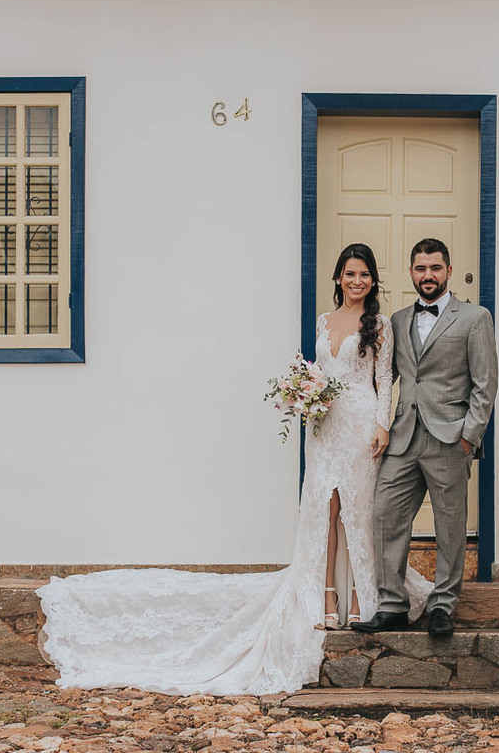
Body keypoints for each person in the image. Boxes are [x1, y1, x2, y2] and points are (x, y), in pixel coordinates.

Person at [35, 243, 428, 696]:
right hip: (324, 425)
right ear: (338, 277)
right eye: (349, 274)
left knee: (356, 508)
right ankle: (326, 595)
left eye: (364, 275)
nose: (356, 281)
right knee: (325, 505)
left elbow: (384, 380)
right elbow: (317, 371)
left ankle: (361, 595)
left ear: (372, 281)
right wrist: (305, 394)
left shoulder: (378, 324)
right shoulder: (324, 321)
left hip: (360, 423)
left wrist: (382, 424)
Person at [352, 238, 498, 639]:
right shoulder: (396, 321)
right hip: (403, 437)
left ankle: (443, 606)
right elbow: (381, 379)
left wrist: (469, 437)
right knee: (385, 514)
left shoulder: (474, 318)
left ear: (448, 271)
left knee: (450, 524)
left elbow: (485, 384)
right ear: (411, 273)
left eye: (435, 268)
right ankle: (393, 605)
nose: (427, 275)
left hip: (450, 438)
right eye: (420, 269)